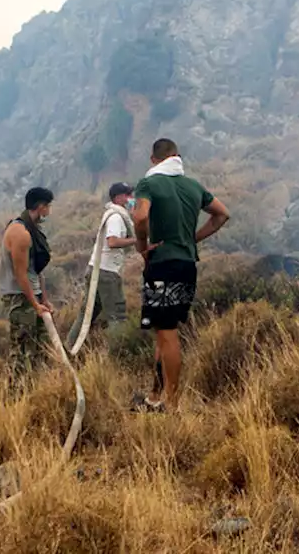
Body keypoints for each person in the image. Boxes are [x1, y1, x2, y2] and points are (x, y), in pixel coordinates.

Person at [132, 138, 230, 413]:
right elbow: (222, 214)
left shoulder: (149, 183)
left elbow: (140, 218)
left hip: (162, 264)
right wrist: (191, 238)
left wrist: (142, 246)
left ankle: (172, 404)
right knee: (164, 331)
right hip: (187, 265)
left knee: (168, 333)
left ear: (154, 160)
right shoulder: (193, 186)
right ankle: (154, 395)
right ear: (177, 156)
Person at [66, 182, 137, 351]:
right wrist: (138, 240)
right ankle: (117, 354)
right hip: (107, 272)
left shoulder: (114, 215)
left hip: (96, 269)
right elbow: (112, 242)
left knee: (87, 314)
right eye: (128, 195)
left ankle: (68, 349)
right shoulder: (116, 217)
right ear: (118, 197)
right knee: (116, 315)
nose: (131, 199)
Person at [0, 186, 55, 386]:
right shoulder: (20, 233)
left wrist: (44, 300)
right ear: (40, 207)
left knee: (40, 347)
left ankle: (37, 391)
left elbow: (35, 270)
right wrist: (34, 303)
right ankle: (14, 397)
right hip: (20, 298)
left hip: (33, 297)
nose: (48, 211)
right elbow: (20, 275)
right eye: (47, 207)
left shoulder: (33, 230)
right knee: (21, 352)